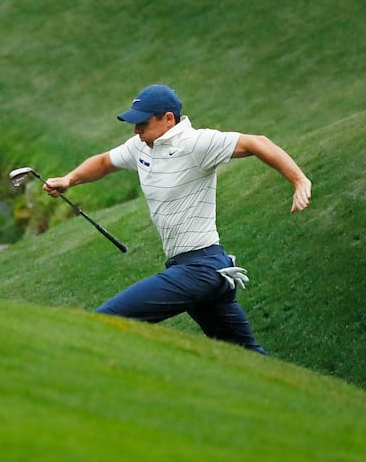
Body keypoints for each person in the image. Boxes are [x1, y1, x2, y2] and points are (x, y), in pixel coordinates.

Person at [43, 83, 311, 353]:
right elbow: (103, 162)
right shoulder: (140, 146)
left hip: (200, 268)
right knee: (246, 356)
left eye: (143, 123)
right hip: (200, 269)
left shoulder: (196, 143)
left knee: (105, 320)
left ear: (168, 119)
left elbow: (257, 142)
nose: (136, 130)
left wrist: (299, 181)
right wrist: (69, 180)